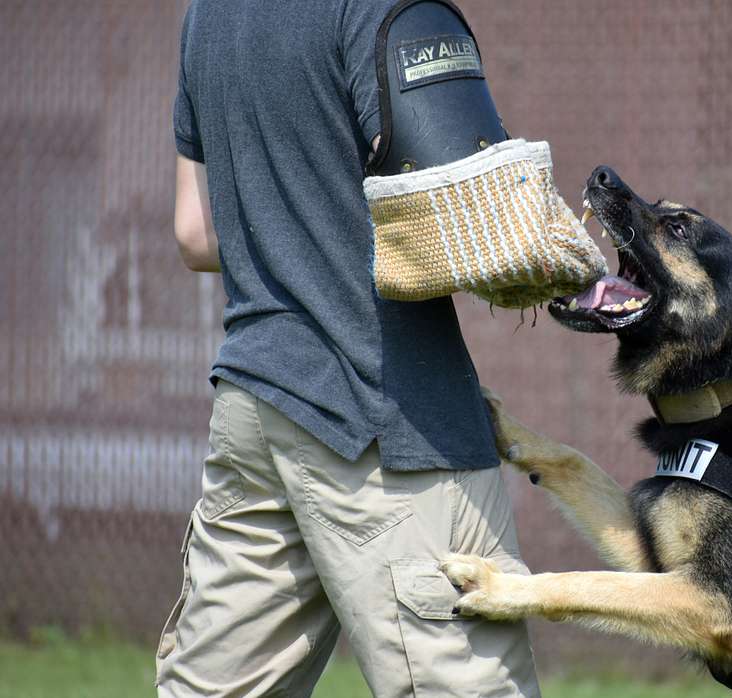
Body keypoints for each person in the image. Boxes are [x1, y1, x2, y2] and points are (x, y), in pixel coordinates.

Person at [156, 1, 542, 695]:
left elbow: (193, 233)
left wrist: (290, 242)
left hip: (255, 401)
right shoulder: (386, 8)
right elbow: (475, 212)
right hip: (386, 416)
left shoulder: (207, 14)